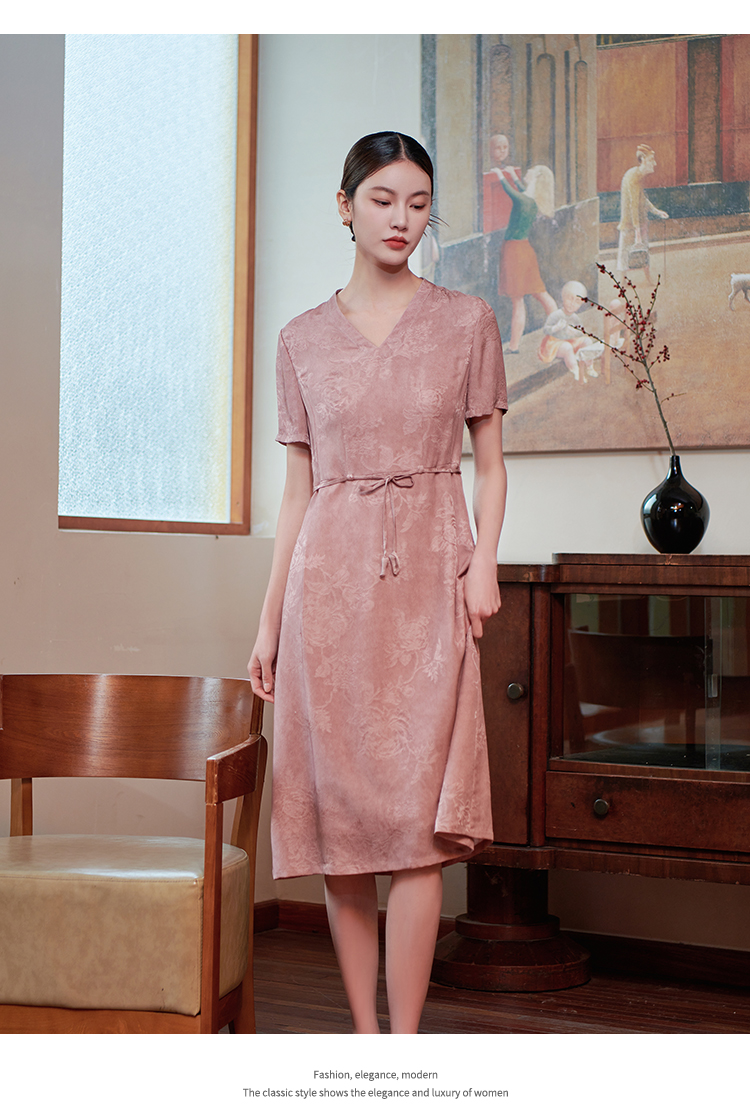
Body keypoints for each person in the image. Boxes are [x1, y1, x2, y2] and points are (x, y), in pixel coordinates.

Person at [247, 131, 508, 1035]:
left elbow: (491, 465)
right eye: (384, 199)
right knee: (346, 831)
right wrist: (268, 623)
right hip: (328, 592)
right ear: (346, 205)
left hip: (432, 579)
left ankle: (404, 1046)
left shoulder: (467, 321)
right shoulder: (300, 340)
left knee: (418, 830)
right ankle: (366, 1040)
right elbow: (297, 494)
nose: (403, 219)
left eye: (419, 203)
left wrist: (484, 561)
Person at [498, 165, 557, 353]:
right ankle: (559, 329)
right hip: (524, 250)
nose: (527, 173)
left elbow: (511, 192)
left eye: (531, 171)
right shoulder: (532, 200)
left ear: (536, 178)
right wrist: (513, 176)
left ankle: (514, 346)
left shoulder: (524, 200)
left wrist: (500, 174)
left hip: (514, 251)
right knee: (540, 293)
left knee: (518, 300)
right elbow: (522, 190)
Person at [616, 143, 669, 285]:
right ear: (644, 160)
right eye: (652, 160)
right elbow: (633, 205)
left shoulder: (638, 176)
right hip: (630, 224)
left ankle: (647, 279)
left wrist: (657, 212)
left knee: (642, 251)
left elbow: (642, 200)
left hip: (639, 222)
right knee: (626, 253)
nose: (655, 163)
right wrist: (637, 232)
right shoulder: (633, 177)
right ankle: (622, 282)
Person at [538, 280, 603, 383]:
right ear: (563, 297)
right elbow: (546, 330)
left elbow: (581, 332)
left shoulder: (575, 318)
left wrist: (575, 332)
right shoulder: (556, 315)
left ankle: (590, 367)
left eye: (577, 301)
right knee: (567, 347)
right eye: (570, 298)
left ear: (581, 304)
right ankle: (576, 371)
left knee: (587, 341)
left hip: (571, 341)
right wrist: (556, 328)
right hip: (555, 343)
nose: (572, 304)